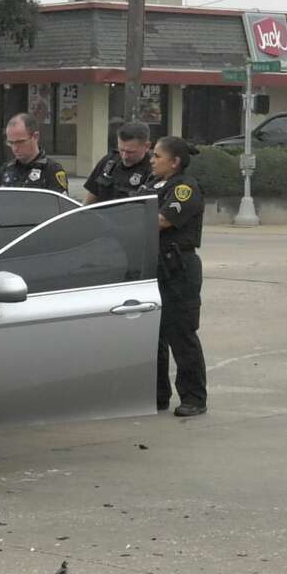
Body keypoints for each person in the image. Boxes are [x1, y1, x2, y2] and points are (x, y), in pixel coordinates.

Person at [138, 136, 207, 418]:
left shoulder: (184, 188)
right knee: (153, 335)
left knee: (181, 333)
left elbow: (162, 221)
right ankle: (157, 395)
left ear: (175, 161)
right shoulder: (151, 184)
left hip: (178, 268)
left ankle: (194, 397)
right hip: (152, 266)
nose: (151, 160)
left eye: (157, 156)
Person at [0, 113, 68, 195]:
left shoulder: (51, 170)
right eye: (11, 143)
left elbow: (60, 205)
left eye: (20, 142)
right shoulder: (4, 171)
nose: (15, 148)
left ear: (35, 137)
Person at [84, 121, 153, 204]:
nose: (124, 156)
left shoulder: (154, 169)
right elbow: (92, 194)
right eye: (121, 150)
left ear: (147, 146)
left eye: (130, 152)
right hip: (100, 214)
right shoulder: (109, 160)